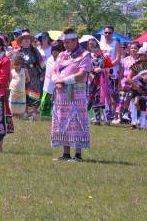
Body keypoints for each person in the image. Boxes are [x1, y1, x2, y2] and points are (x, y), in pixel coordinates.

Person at [51, 28, 92, 162]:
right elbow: (53, 70)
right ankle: (66, 153)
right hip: (61, 94)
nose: (65, 45)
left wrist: (63, 80)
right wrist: (56, 80)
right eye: (64, 42)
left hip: (77, 94)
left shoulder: (85, 55)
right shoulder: (62, 55)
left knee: (77, 121)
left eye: (68, 42)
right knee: (63, 121)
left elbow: (82, 75)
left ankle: (78, 154)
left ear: (75, 41)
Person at [87, 38, 120, 125]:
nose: (91, 46)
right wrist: (91, 70)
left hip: (102, 81)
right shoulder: (88, 56)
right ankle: (97, 118)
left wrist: (101, 69)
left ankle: (107, 118)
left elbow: (109, 70)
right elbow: (85, 68)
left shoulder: (105, 57)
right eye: (90, 44)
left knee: (103, 98)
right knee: (93, 98)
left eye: (93, 44)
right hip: (91, 80)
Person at [15, 31, 43, 120]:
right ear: (21, 41)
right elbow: (15, 64)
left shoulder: (35, 51)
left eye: (28, 39)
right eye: (24, 39)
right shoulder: (19, 52)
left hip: (34, 74)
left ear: (30, 41)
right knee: (24, 93)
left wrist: (42, 74)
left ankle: (34, 113)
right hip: (22, 74)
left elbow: (42, 63)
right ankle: (25, 112)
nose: (26, 40)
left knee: (34, 93)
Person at [99, 25, 121, 121]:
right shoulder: (100, 43)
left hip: (112, 71)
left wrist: (109, 65)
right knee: (101, 92)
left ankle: (114, 115)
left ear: (112, 33)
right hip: (102, 71)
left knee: (113, 93)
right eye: (106, 32)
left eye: (109, 32)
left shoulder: (116, 43)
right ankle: (102, 114)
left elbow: (118, 58)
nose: (107, 34)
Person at [116, 42, 140, 123]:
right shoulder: (125, 60)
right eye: (131, 48)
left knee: (128, 95)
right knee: (122, 97)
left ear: (138, 49)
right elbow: (121, 73)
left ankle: (128, 114)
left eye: (135, 48)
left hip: (137, 82)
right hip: (125, 81)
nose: (133, 49)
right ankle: (120, 116)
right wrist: (119, 82)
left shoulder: (140, 60)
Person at [39, 42, 64, 117]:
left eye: (56, 51)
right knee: (45, 101)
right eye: (53, 51)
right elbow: (52, 70)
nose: (54, 53)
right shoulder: (50, 59)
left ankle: (56, 115)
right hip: (48, 84)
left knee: (57, 102)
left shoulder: (63, 59)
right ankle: (44, 116)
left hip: (59, 84)